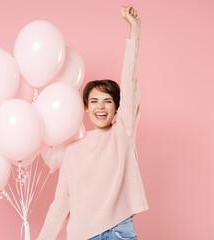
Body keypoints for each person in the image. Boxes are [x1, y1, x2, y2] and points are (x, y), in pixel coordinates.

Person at [37, 5, 149, 240]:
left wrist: (134, 30)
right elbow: (60, 205)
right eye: (94, 101)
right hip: (83, 235)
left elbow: (128, 81)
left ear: (117, 108)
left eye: (108, 101)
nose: (101, 107)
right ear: (85, 107)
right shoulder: (73, 150)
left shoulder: (122, 133)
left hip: (120, 231)